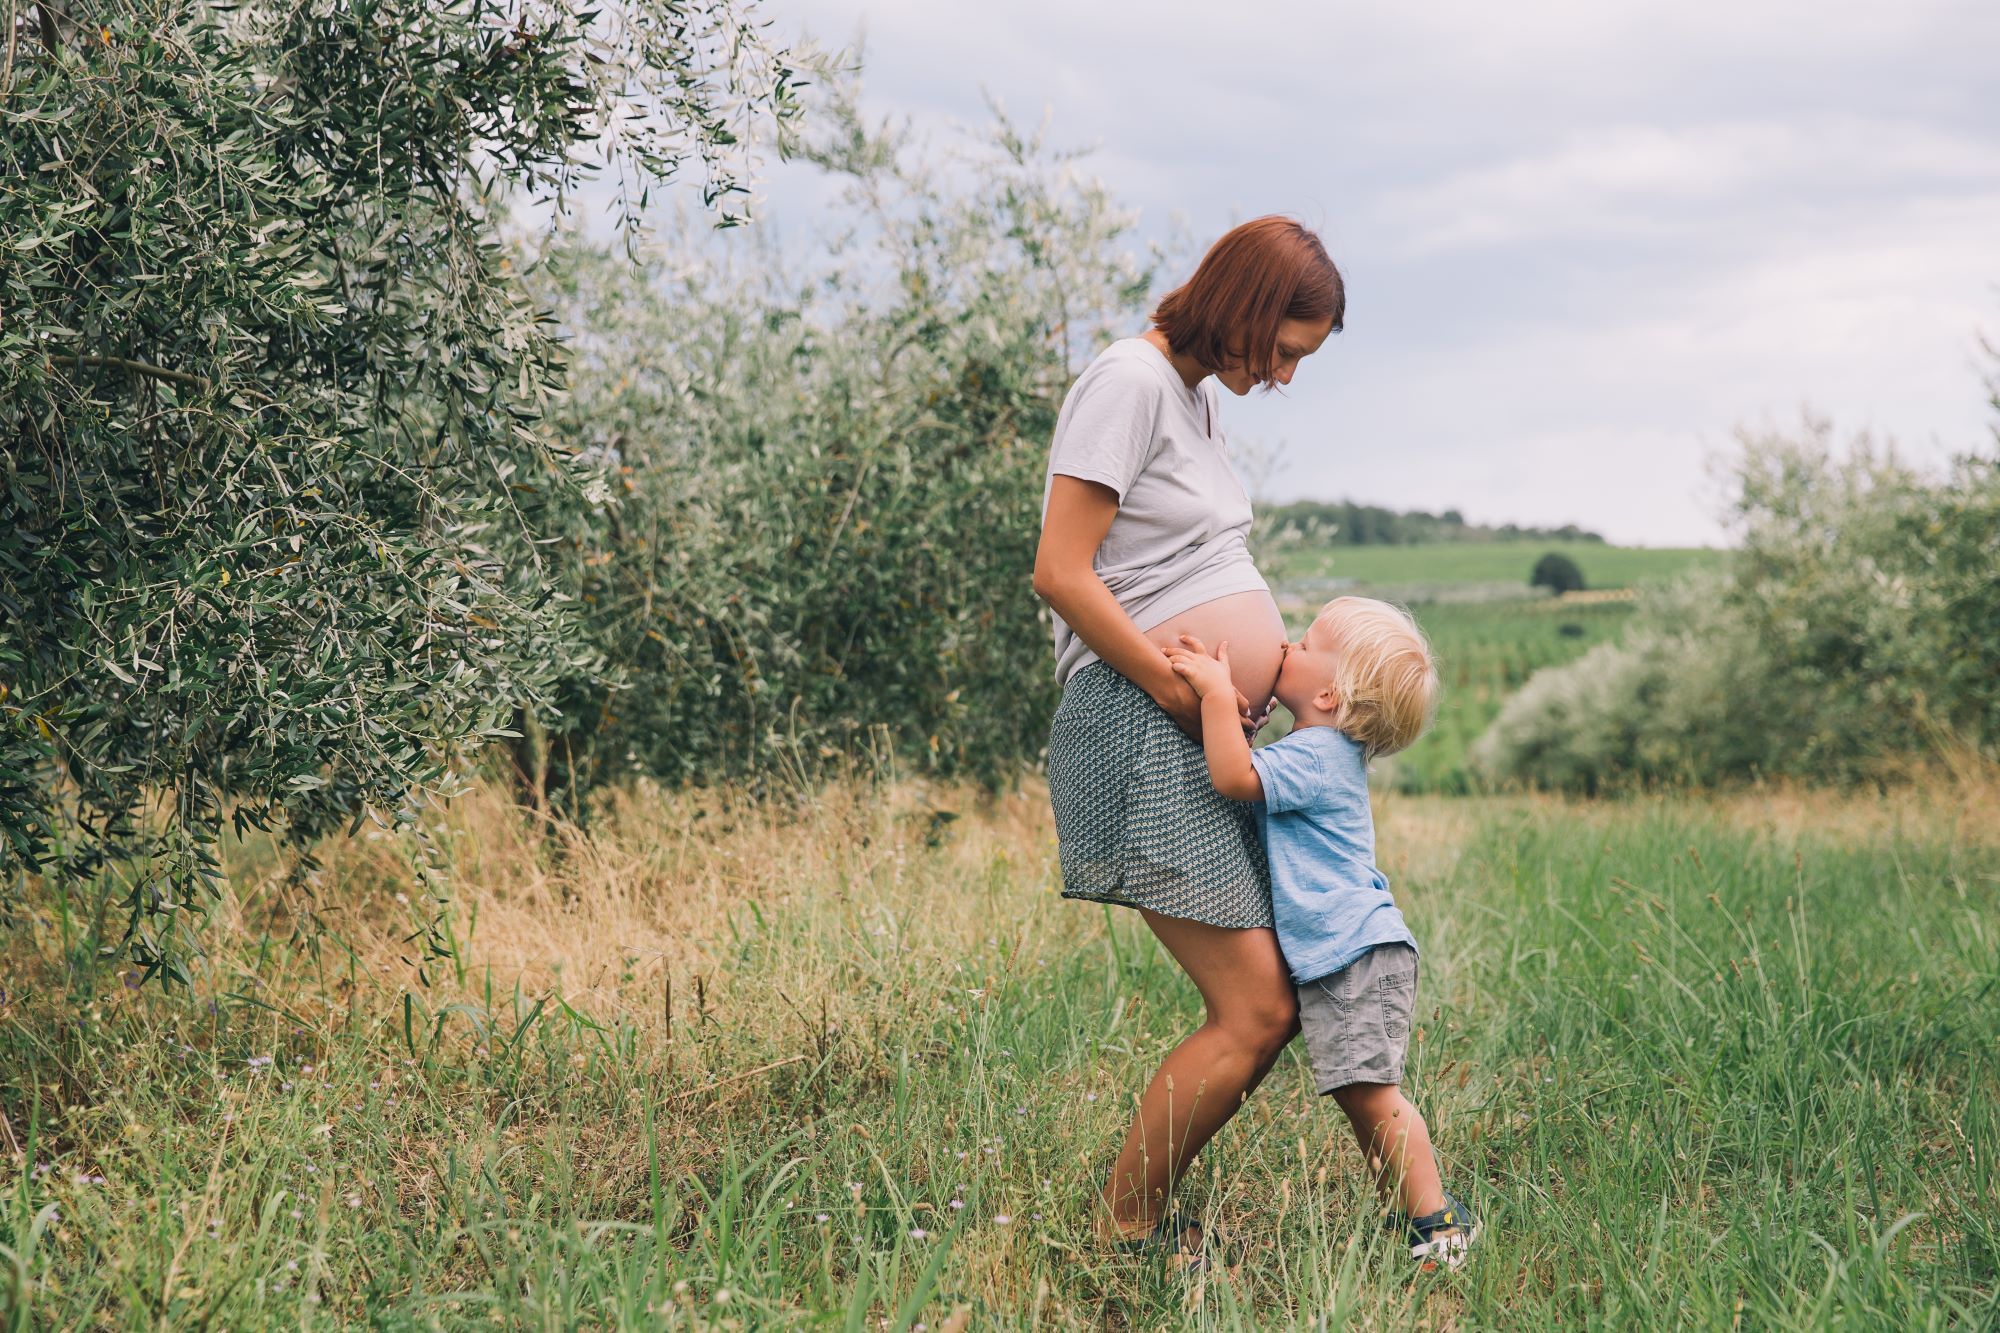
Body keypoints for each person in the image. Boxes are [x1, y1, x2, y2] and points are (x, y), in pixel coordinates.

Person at [1031, 216, 1340, 1264]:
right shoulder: (1129, 382)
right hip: (1134, 722)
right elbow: (1060, 571)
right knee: (1255, 1007)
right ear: (1245, 310)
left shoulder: (1195, 398)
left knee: (1270, 1000)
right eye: (1285, 350)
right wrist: (1175, 686)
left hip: (1180, 724)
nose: (1285, 377)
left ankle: (1132, 1219)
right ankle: (1120, 1227)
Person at [1165, 597, 1481, 1269]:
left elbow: (1233, 776)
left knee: (1373, 1094)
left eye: (1305, 643)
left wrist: (1216, 693)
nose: (1287, 644)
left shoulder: (1318, 755)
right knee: (1358, 1092)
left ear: (1330, 694)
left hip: (1355, 954)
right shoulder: (1321, 752)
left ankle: (1439, 1225)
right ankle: (1411, 1214)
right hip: (1353, 952)